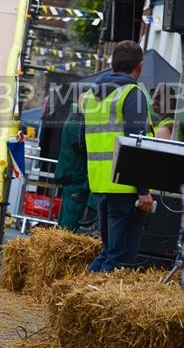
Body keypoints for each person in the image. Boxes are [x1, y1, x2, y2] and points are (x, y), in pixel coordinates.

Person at [80, 40, 153, 273]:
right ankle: (85, 303)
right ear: (139, 66)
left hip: (100, 184)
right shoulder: (133, 94)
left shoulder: (90, 96)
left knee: (109, 252)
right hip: (125, 187)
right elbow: (136, 145)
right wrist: (144, 191)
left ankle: (80, 296)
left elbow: (82, 142)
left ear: (112, 64)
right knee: (118, 258)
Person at [55, 102, 93, 231]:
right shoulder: (75, 122)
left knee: (68, 221)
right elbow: (82, 147)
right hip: (75, 178)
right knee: (69, 224)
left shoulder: (75, 120)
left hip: (75, 177)